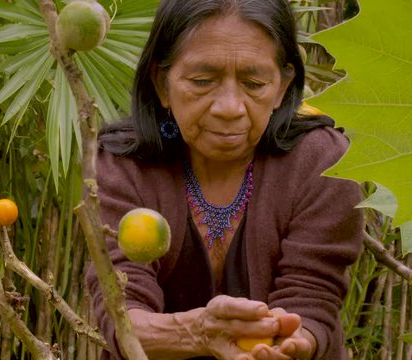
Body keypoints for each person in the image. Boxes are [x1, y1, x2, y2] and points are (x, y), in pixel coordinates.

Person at [84, 0, 365, 359]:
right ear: (161, 83)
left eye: (254, 83)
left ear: (282, 86)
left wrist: (288, 339)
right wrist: (198, 333)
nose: (229, 107)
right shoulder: (119, 167)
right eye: (202, 81)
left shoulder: (324, 163)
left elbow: (312, 299)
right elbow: (121, 313)